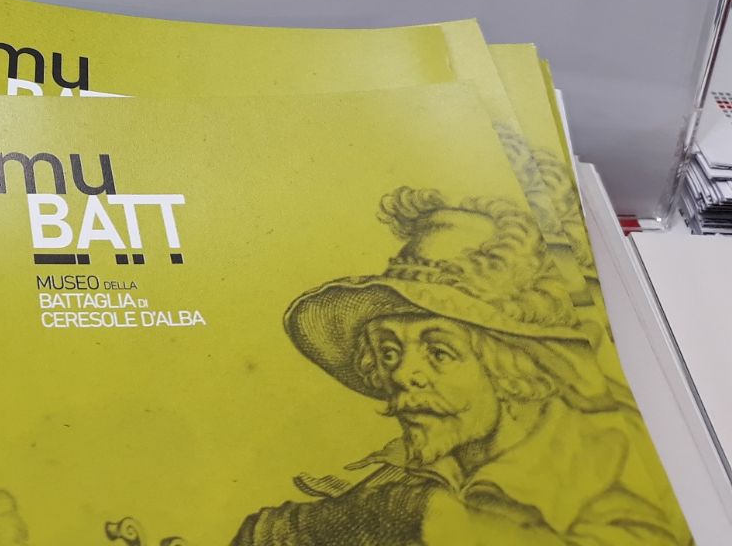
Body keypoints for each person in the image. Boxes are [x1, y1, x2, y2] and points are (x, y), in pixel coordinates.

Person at [230, 188, 690, 545]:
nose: (402, 376)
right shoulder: (425, 467)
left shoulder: (609, 456)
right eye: (389, 352)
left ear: (510, 367)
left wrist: (427, 515)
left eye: (439, 352)